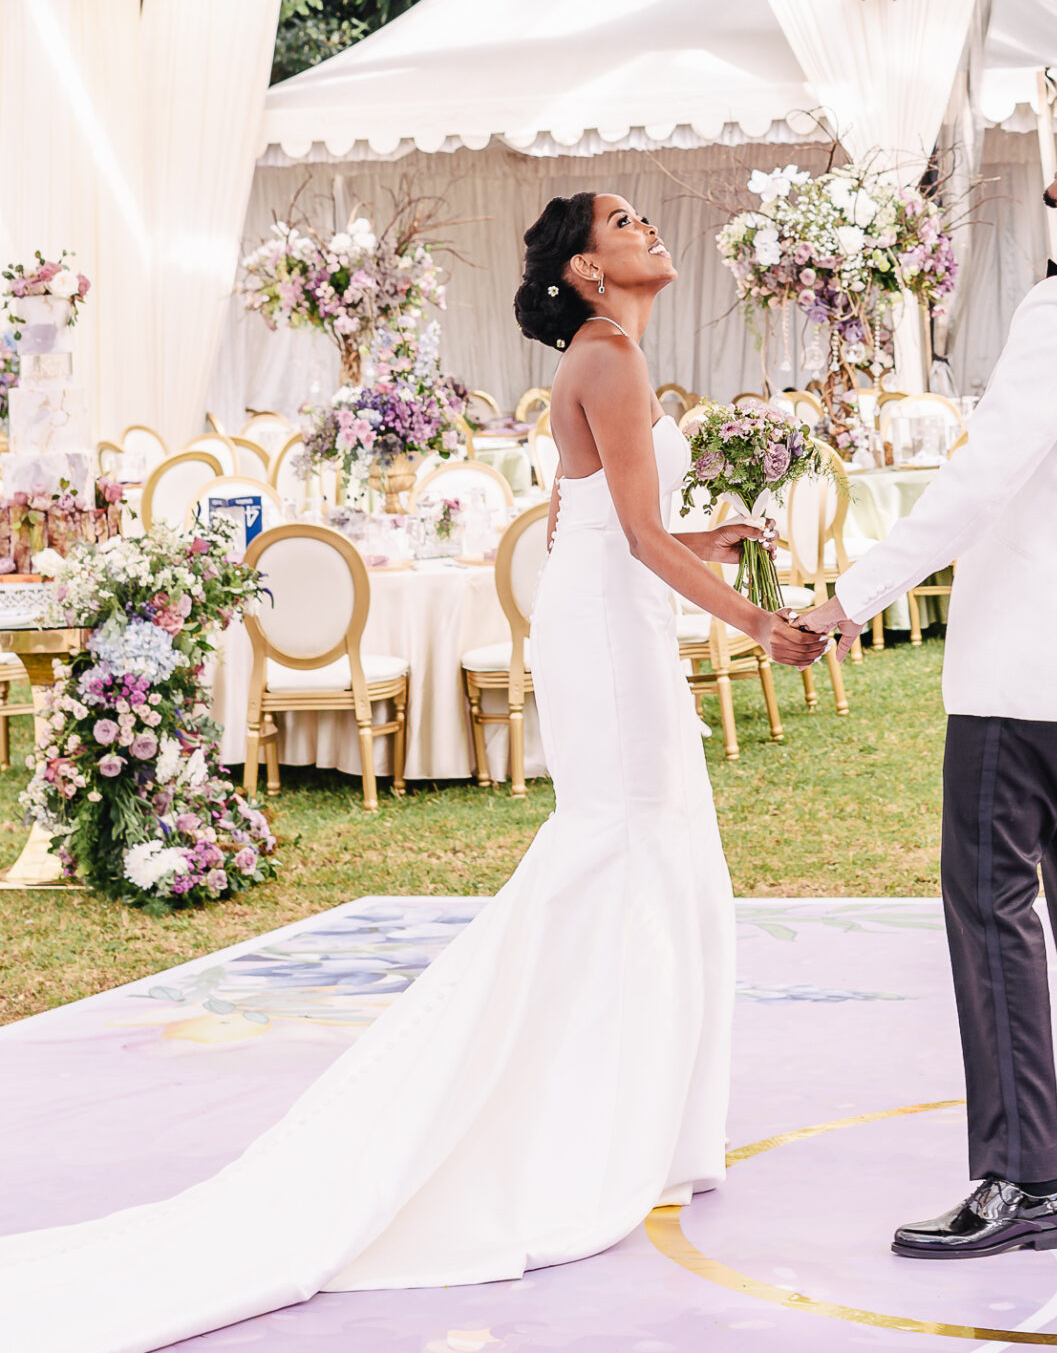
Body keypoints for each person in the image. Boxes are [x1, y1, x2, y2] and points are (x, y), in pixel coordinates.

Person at [0, 192, 823, 1352]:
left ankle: (634, 1112)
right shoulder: (612, 356)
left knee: (652, 849)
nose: (650, 229)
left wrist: (703, 539)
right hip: (607, 633)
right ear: (588, 269)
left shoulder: (606, 353)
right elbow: (630, 536)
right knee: (624, 849)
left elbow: (599, 523)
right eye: (626, 220)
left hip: (606, 620)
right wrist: (758, 622)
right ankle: (586, 1113)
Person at [802, 115, 1057, 1260]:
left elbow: (983, 475)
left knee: (990, 903)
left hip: (1033, 654)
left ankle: (1024, 1177)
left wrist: (853, 593)